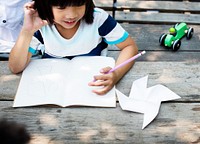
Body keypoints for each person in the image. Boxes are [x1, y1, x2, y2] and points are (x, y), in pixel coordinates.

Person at [9, 0, 138, 95]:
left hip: (93, 86)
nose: (71, 15)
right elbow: (15, 67)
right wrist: (27, 31)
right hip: (51, 88)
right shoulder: (40, 24)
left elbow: (129, 47)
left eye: (79, 5)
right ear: (44, 5)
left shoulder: (98, 18)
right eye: (61, 7)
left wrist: (116, 73)